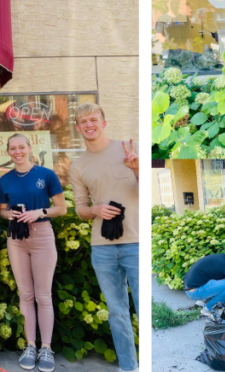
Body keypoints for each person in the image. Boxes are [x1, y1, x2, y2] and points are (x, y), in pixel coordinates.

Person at [70, 103, 140, 372]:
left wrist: (136, 168)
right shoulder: (78, 166)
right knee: (118, 314)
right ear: (78, 128)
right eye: (83, 121)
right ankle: (128, 367)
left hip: (136, 243)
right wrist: (95, 209)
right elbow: (80, 209)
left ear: (104, 122)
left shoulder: (128, 149)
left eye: (93, 119)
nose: (89, 124)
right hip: (103, 248)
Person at [0, 133, 67, 371]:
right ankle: (31, 345)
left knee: (43, 295)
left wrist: (39, 212)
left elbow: (62, 208)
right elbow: (2, 211)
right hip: (16, 239)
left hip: (41, 236)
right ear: (8, 152)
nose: (17, 152)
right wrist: (10, 215)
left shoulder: (46, 175)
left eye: (21, 147)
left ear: (29, 148)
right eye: (12, 148)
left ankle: (46, 348)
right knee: (25, 294)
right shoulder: (5, 180)